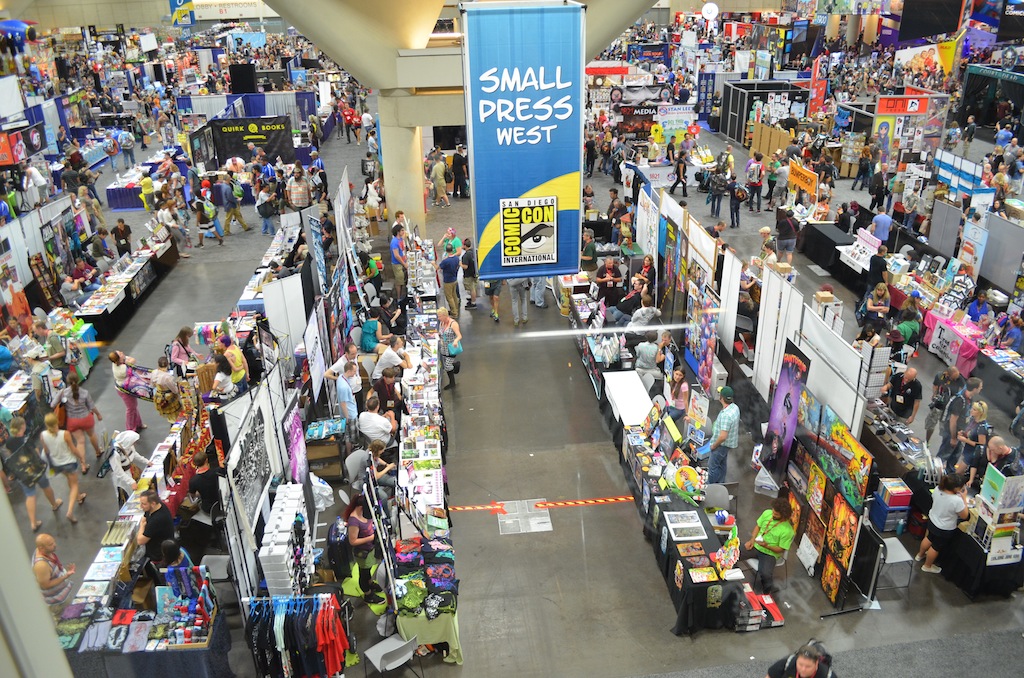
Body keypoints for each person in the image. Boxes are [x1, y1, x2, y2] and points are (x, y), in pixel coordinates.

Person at [1, 416, 63, 532]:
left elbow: (11, 456)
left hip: (23, 474)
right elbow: (36, 453)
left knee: (30, 495)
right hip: (35, 469)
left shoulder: (9, 442)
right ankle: (54, 504)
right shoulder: (26, 440)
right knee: (46, 486)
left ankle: (33, 522)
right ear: (22, 426)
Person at [915, 474, 970, 574]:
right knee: (936, 547)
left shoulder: (937, 489)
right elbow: (964, 516)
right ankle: (927, 566)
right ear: (956, 488)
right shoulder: (957, 501)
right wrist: (964, 499)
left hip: (932, 520)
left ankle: (920, 555)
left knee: (929, 538)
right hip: (944, 528)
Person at [744, 496, 795, 595]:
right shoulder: (767, 513)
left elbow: (780, 549)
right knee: (734, 551)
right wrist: (752, 540)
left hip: (770, 554)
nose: (772, 514)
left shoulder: (788, 531)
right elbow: (757, 527)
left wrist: (766, 546)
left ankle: (767, 594)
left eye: (775, 514)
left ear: (783, 515)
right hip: (756, 546)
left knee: (766, 574)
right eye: (773, 511)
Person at [52, 372, 103, 459]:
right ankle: (98, 451)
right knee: (91, 435)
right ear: (78, 380)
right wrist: (98, 414)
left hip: (72, 420)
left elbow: (52, 405)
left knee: (80, 442)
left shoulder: (63, 393)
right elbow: (91, 406)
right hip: (86, 418)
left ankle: (83, 464)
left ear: (67, 381)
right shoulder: (85, 393)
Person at [937, 377, 983, 474]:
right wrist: (953, 438)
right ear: (975, 389)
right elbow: (953, 421)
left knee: (955, 456)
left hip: (960, 434)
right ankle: (932, 473)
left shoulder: (970, 399)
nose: (981, 389)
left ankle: (948, 474)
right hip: (951, 433)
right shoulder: (960, 400)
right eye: (980, 387)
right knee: (943, 456)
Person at [344, 493, 384, 601]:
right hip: (363, 552)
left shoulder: (365, 513)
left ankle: (370, 583)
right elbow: (352, 541)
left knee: (369, 570)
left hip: (370, 549)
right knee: (364, 573)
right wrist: (371, 538)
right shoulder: (354, 521)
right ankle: (368, 594)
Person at [707, 386, 741, 484]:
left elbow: (722, 437)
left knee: (712, 466)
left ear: (721, 398)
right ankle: (721, 483)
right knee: (721, 464)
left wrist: (714, 446)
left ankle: (711, 487)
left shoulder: (726, 415)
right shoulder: (735, 408)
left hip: (721, 445)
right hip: (728, 444)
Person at [33, 534, 75, 609]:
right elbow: (46, 585)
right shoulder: (41, 565)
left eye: (54, 542)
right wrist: (65, 576)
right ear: (41, 548)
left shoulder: (45, 551)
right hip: (57, 603)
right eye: (50, 544)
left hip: (62, 595)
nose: (55, 545)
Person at [109, 350, 147, 433]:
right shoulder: (123, 369)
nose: (122, 352)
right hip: (125, 390)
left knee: (133, 406)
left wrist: (124, 359)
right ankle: (130, 429)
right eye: (120, 354)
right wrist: (125, 359)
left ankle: (138, 424)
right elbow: (133, 360)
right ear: (119, 359)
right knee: (131, 409)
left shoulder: (115, 363)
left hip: (125, 387)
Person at [926, 366, 964, 443]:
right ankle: (927, 442)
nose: (956, 379)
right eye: (954, 377)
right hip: (937, 406)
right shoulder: (940, 376)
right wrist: (935, 394)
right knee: (930, 425)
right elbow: (935, 385)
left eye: (957, 376)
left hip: (949, 409)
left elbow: (963, 391)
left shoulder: (960, 379)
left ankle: (944, 445)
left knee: (945, 430)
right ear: (947, 374)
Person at [137, 490, 175, 563]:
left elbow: (140, 541)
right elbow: (145, 516)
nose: (141, 506)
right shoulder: (157, 506)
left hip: (158, 554)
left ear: (153, 504)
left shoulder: (157, 519)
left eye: (144, 504)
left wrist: (142, 525)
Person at [955, 401, 990, 475]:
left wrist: (965, 440)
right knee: (961, 473)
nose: (971, 410)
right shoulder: (972, 420)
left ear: (980, 413)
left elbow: (981, 445)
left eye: (974, 410)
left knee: (958, 472)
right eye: (972, 408)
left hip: (973, 453)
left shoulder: (982, 427)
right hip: (967, 449)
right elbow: (969, 432)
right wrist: (963, 433)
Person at [765, 644, 833, 678]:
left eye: (808, 666)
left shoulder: (827, 676)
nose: (803, 669)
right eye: (800, 664)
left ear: (816, 664)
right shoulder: (786, 664)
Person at [437, 307, 463, 390]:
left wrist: (455, 341)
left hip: (451, 348)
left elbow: (459, 335)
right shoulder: (441, 323)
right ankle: (455, 365)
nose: (438, 318)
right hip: (443, 347)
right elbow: (441, 333)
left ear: (445, 315)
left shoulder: (453, 324)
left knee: (447, 366)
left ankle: (452, 382)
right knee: (446, 365)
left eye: (440, 316)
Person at [438, 243, 461, 319]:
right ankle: (456, 309)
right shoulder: (456, 258)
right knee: (454, 296)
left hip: (448, 281)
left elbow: (438, 268)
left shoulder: (446, 261)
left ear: (446, 250)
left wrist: (433, 263)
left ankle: (454, 313)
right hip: (454, 279)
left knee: (449, 297)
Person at [390, 223, 408, 299]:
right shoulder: (394, 242)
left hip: (403, 262)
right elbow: (396, 255)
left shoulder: (400, 239)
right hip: (397, 264)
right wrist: (404, 264)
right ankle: (398, 297)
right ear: (398, 232)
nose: (404, 232)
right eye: (402, 230)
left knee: (403, 280)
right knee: (399, 281)